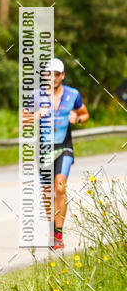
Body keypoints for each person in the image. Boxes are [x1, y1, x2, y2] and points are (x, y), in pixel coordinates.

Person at [36, 58, 89, 250]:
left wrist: (78, 119)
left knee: (59, 187)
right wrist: (36, 115)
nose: (52, 78)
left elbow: (85, 114)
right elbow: (23, 120)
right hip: (43, 149)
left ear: (62, 76)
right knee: (47, 191)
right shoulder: (36, 96)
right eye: (49, 74)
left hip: (64, 146)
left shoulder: (73, 94)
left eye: (56, 74)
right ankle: (52, 229)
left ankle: (58, 233)